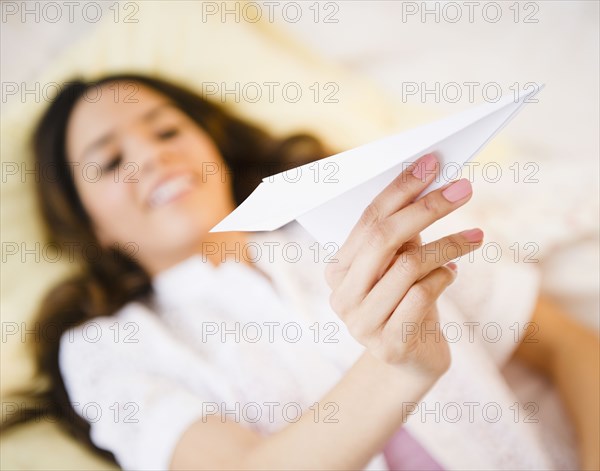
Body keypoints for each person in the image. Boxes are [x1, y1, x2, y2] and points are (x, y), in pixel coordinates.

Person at [25, 74, 598, 470]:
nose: (152, 156)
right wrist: (398, 369)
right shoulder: (109, 349)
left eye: (167, 130)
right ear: (89, 224)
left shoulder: (354, 221)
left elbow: (570, 348)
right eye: (110, 161)